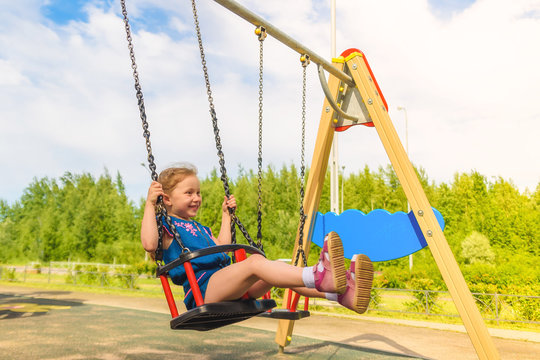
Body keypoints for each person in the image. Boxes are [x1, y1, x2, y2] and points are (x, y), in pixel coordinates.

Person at [141, 162, 374, 313]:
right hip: (203, 291)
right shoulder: (165, 227)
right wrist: (150, 205)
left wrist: (226, 217)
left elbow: (222, 249)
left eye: (198, 192)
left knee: (276, 269)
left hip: (226, 285)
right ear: (168, 199)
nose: (196, 198)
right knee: (254, 263)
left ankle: (342, 294)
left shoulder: (201, 229)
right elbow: (149, 244)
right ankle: (320, 275)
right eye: (189, 193)